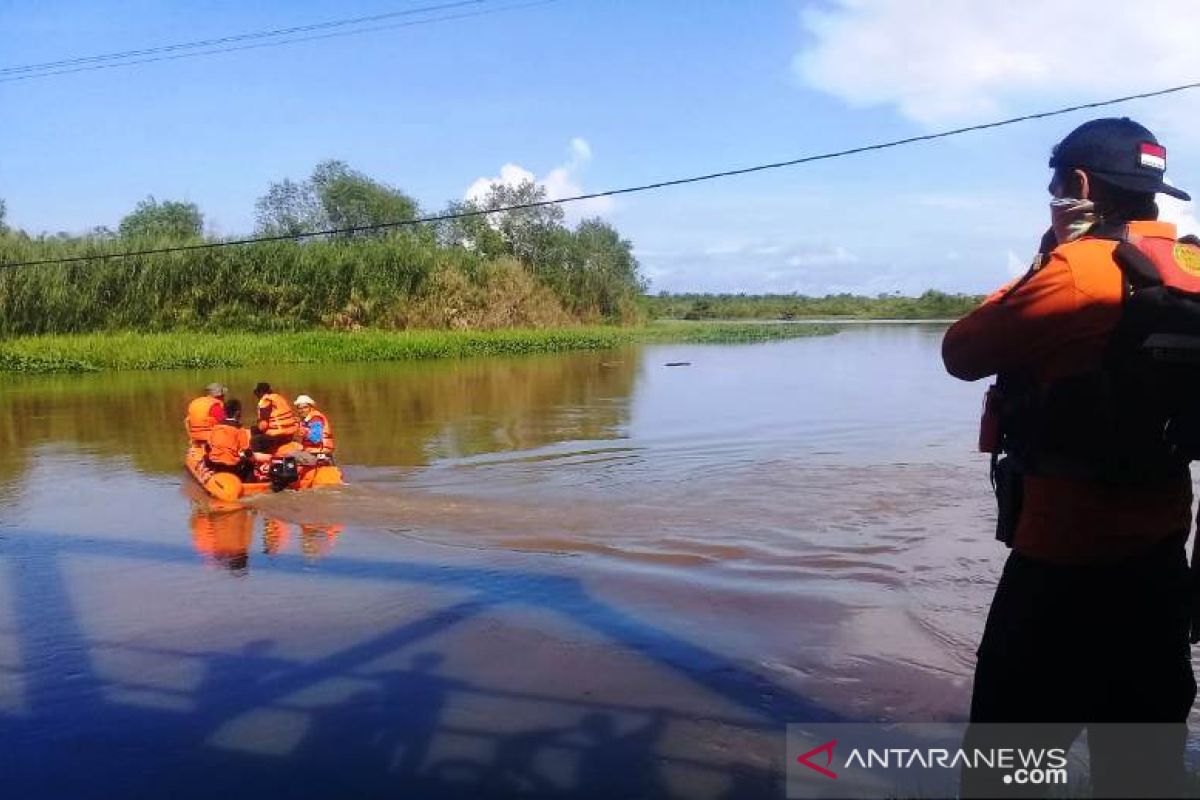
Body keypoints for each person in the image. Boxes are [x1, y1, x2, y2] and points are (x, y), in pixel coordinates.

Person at [943, 117, 1197, 797]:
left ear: (1078, 186)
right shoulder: (1194, 268)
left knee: (1006, 770)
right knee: (1142, 769)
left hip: (1061, 568)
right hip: (1163, 563)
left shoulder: (1078, 270)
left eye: (1056, 186)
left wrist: (1044, 258)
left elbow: (961, 353)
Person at [204, 398, 254, 481]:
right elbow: (245, 451)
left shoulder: (216, 427)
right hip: (230, 466)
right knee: (249, 463)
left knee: (206, 456)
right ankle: (247, 483)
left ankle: (211, 473)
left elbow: (207, 447)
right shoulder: (240, 430)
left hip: (214, 464)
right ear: (238, 413)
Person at [251, 381, 299, 454]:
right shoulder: (279, 398)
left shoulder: (266, 401)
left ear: (260, 392)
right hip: (289, 434)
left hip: (278, 436)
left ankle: (258, 461)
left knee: (255, 440)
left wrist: (257, 428)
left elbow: (263, 426)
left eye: (256, 393)